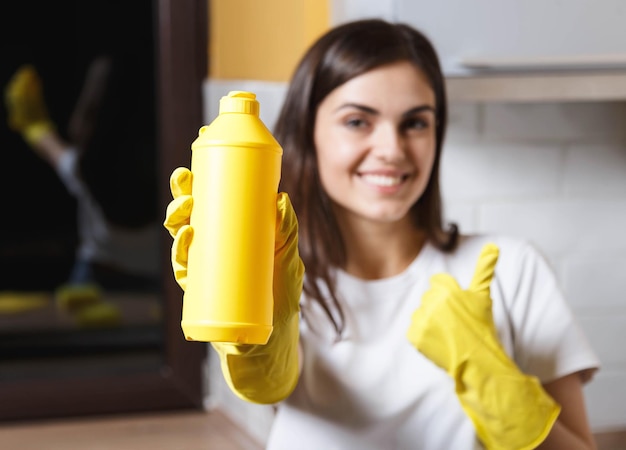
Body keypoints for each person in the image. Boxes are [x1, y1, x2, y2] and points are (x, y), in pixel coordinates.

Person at [164, 19, 600, 449]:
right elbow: (271, 387)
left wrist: (490, 377)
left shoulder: (509, 269)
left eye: (415, 123)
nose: (392, 149)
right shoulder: (281, 274)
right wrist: (255, 333)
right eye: (358, 122)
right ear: (307, 131)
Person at [4, 53, 160, 318]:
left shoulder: (85, 167)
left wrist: (32, 122)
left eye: (88, 112)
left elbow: (47, 143)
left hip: (100, 278)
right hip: (150, 282)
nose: (75, 122)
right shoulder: (172, 169)